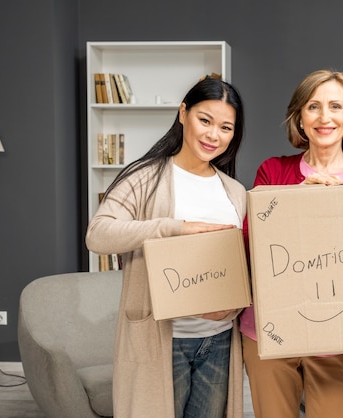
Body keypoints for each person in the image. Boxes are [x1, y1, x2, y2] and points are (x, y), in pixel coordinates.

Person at [86, 77, 246, 418]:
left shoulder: (234, 191)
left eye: (225, 127)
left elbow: (243, 265)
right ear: (183, 113)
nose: (213, 135)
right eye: (205, 120)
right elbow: (97, 235)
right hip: (163, 340)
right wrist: (175, 228)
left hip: (217, 341)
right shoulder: (145, 177)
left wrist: (229, 311)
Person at [239, 69, 343, 418]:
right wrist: (297, 199)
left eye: (335, 106)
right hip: (269, 332)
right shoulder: (272, 172)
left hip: (336, 338)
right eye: (313, 106)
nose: (324, 117)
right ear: (299, 117)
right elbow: (248, 241)